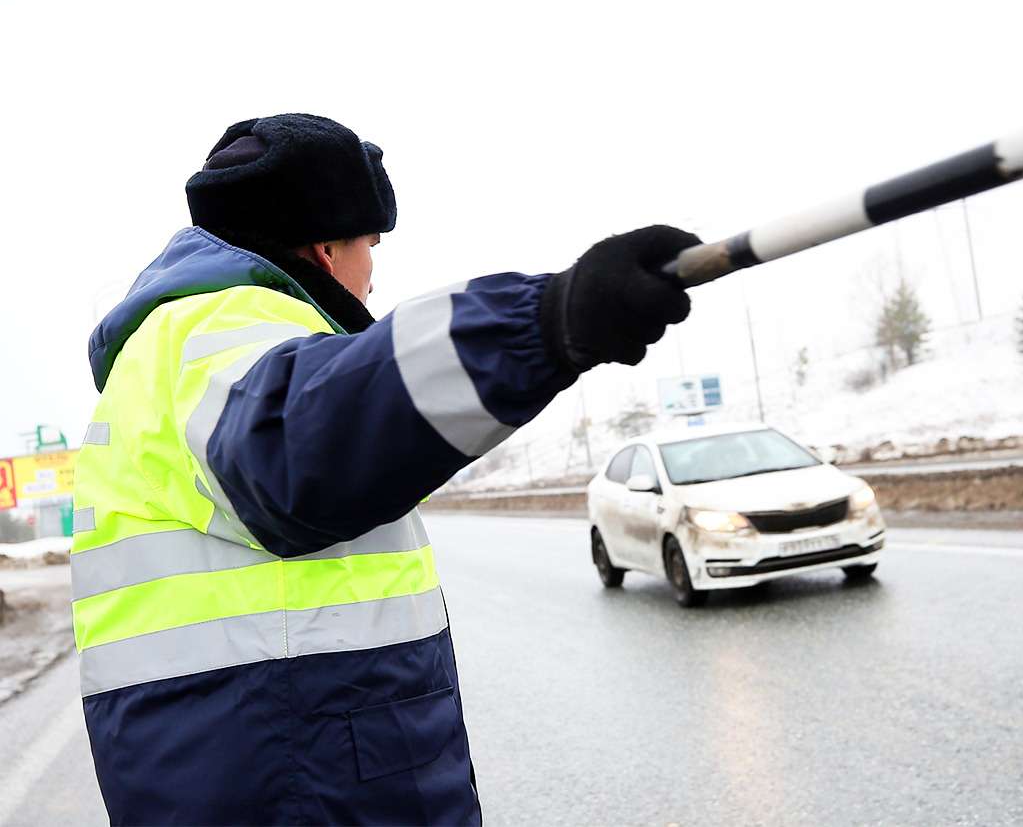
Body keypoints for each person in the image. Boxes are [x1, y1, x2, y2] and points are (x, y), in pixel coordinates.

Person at [71, 113, 697, 825]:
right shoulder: (212, 329)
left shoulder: (184, 348)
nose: (375, 269)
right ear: (325, 244)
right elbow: (303, 439)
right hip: (301, 782)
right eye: (370, 242)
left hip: (275, 764)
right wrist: (544, 323)